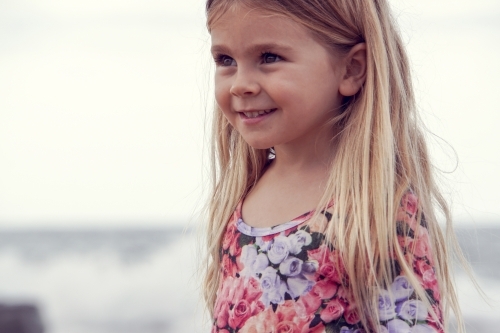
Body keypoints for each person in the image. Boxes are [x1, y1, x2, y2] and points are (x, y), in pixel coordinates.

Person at [201, 0, 466, 332]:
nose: (240, 84)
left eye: (269, 57)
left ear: (351, 69)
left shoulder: (377, 211)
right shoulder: (241, 199)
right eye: (225, 60)